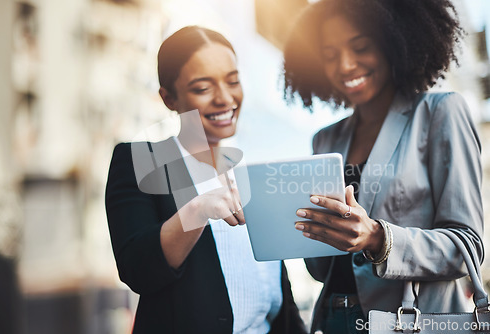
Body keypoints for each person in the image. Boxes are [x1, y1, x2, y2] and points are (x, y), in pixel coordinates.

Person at [283, 0, 484, 333]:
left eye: (361, 47)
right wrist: (294, 225)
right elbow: (321, 269)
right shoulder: (325, 140)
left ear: (394, 41)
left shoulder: (440, 113)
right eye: (330, 55)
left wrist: (378, 238)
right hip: (335, 320)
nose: (345, 65)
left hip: (409, 323)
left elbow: (467, 247)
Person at [106, 26, 306, 334]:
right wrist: (197, 210)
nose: (225, 98)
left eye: (233, 81)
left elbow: (276, 292)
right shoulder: (143, 161)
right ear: (169, 98)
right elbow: (138, 269)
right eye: (203, 88)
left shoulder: (247, 174)